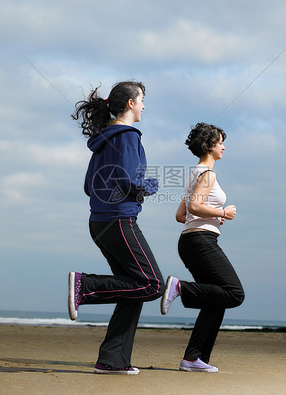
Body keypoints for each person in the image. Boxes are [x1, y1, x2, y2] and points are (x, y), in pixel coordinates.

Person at [69, 81, 164, 375]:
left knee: (131, 288)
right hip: (119, 221)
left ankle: (112, 360)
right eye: (142, 100)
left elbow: (88, 186)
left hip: (99, 222)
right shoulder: (128, 136)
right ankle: (86, 285)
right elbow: (129, 181)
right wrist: (149, 186)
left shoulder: (105, 139)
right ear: (131, 104)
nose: (144, 106)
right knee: (152, 284)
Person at [161, 122, 245, 373]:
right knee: (234, 293)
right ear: (209, 146)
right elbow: (195, 208)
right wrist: (223, 212)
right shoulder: (208, 174)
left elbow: (181, 214)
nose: (224, 147)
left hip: (191, 240)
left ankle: (193, 358)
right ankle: (180, 287)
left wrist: (212, 217)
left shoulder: (193, 175)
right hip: (200, 241)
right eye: (220, 142)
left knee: (215, 300)